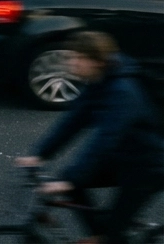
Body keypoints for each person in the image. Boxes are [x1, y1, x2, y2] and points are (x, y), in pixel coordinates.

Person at [16, 31, 163, 244]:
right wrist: (40, 154)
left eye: (78, 58)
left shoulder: (123, 92)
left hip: (147, 167)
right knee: (70, 182)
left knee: (112, 234)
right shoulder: (99, 80)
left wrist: (71, 180)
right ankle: (99, 234)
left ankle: (108, 237)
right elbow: (73, 121)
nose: (71, 63)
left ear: (97, 61)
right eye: (70, 57)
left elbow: (104, 140)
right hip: (123, 155)